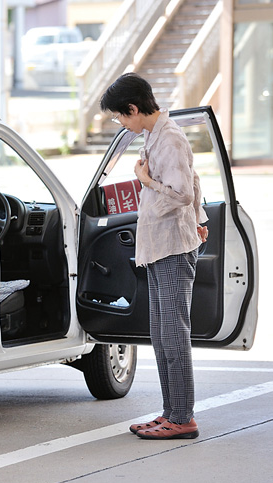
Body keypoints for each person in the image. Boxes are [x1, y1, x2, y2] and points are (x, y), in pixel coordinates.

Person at [99, 73, 209, 440]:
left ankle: (182, 417)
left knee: (173, 334)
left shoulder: (170, 138)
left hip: (174, 247)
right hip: (162, 246)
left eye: (119, 117)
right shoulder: (154, 134)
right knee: (162, 334)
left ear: (133, 108)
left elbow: (181, 192)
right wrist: (201, 219)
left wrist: (145, 182)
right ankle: (171, 412)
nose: (120, 123)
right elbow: (194, 183)